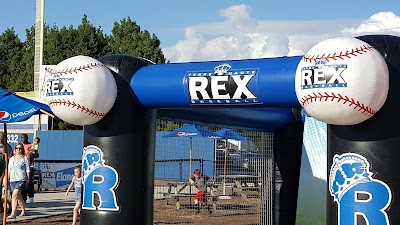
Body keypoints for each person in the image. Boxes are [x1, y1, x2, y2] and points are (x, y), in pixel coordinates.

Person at [7, 143, 30, 219]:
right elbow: (9, 170)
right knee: (18, 196)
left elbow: (27, 169)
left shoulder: (24, 158)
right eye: (17, 148)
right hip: (13, 179)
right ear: (15, 149)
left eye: (20, 148)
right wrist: (7, 179)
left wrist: (28, 179)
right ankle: (23, 210)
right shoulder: (12, 159)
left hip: (21, 179)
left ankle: (13, 213)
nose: (18, 150)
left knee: (14, 195)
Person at [21, 134, 37, 204]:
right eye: (22, 138)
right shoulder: (20, 146)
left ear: (27, 138)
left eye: (24, 138)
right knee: (22, 181)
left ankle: (31, 196)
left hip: (30, 166)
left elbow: (37, 154)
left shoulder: (31, 145)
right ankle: (23, 197)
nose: (23, 139)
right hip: (22, 166)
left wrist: (32, 155)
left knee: (29, 181)